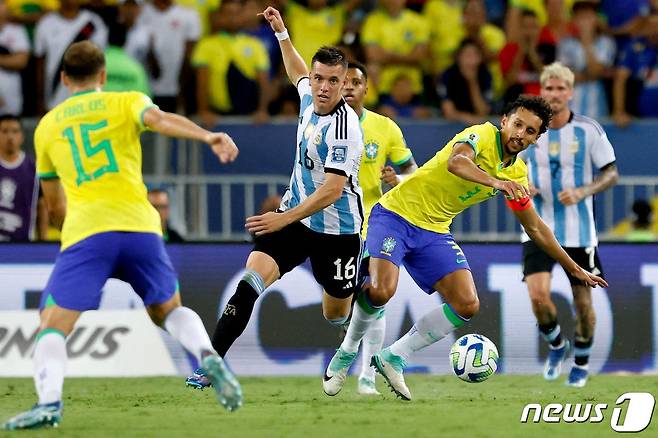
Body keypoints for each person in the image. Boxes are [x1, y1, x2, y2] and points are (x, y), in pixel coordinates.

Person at [1, 40, 241, 430]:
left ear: (63, 79)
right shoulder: (126, 100)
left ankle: (48, 403)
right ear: (102, 76)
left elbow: (54, 206)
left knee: (52, 322)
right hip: (141, 227)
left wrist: (73, 231)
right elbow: (160, 120)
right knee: (169, 310)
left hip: (87, 231)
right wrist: (207, 137)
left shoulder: (47, 126)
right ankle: (206, 355)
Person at [322, 94, 607, 401]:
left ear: (537, 138)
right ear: (504, 122)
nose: (520, 134)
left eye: (530, 131)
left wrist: (574, 268)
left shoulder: (516, 174)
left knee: (467, 304)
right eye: (518, 125)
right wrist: (496, 183)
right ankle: (347, 352)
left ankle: (394, 357)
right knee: (380, 291)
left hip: (434, 231)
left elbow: (535, 227)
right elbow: (457, 162)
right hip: (395, 214)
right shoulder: (482, 135)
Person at [185, 6, 364, 389]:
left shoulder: (346, 128)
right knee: (250, 282)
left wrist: (282, 217)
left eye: (333, 81)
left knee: (335, 314)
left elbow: (332, 191)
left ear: (343, 82)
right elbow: (295, 70)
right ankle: (212, 364)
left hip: (338, 229)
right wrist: (282, 34)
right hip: (295, 219)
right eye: (319, 78)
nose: (322, 87)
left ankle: (360, 300)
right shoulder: (307, 95)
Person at [521, 62, 618, 388]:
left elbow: (611, 173)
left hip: (580, 231)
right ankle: (556, 345)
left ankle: (581, 362)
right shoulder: (529, 128)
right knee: (538, 297)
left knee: (583, 302)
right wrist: (523, 185)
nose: (555, 94)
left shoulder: (589, 130)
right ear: (542, 92)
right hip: (537, 227)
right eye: (549, 88)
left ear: (570, 93)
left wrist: (583, 190)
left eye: (561, 88)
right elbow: (508, 167)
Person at [341, 60, 418, 395]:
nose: (348, 87)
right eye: (342, 81)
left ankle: (367, 375)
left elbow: (412, 173)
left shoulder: (385, 127)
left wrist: (396, 178)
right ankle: (349, 356)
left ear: (366, 88)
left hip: (371, 223)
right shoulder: (319, 123)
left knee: (377, 295)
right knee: (340, 309)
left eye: (355, 82)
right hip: (332, 226)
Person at [0, 114, 41, 241]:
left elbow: (42, 205)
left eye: (15, 131)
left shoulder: (33, 168)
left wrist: (43, 241)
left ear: (22, 136)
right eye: (5, 131)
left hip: (23, 245)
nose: (10, 136)